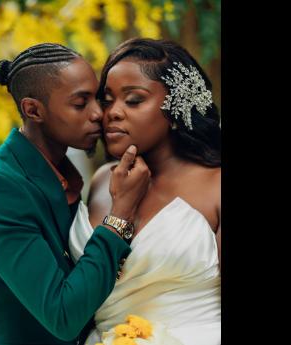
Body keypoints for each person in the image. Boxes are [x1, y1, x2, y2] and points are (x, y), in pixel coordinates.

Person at [0, 43, 150, 345]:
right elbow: (62, 315)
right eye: (80, 104)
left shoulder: (67, 176)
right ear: (33, 110)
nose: (98, 114)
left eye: (98, 99)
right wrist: (119, 215)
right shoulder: (0, 187)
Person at [68, 38, 221, 345]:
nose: (112, 112)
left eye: (133, 100)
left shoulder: (216, 185)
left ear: (177, 108)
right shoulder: (100, 181)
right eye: (107, 99)